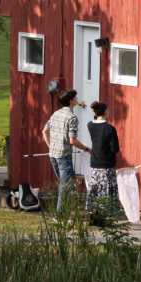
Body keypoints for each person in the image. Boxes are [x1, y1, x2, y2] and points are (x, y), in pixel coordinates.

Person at [43, 89, 91, 217]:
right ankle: (59, 217)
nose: (77, 99)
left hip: (53, 154)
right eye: (76, 97)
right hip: (64, 156)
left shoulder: (55, 114)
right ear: (71, 101)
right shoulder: (72, 117)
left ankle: (63, 213)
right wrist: (88, 149)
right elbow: (73, 140)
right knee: (65, 187)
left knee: (64, 186)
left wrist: (51, 147)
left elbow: (44, 131)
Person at [86, 101, 120, 227]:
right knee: (105, 191)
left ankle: (92, 217)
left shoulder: (90, 125)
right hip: (106, 164)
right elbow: (115, 149)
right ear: (106, 111)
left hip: (94, 164)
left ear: (95, 113)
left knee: (94, 190)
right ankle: (102, 219)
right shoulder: (110, 129)